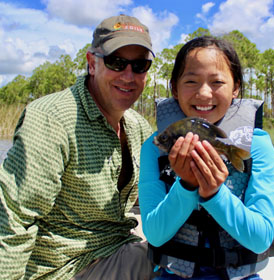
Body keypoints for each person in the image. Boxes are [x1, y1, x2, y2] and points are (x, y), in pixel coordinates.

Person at [0, 14, 157, 280]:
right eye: (116, 62)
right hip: (62, 268)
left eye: (139, 65)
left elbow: (148, 198)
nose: (128, 75)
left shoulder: (139, 126)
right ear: (91, 64)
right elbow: (14, 220)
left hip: (119, 247)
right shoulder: (51, 119)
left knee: (189, 260)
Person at [138, 36, 274, 280]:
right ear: (174, 87)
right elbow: (155, 234)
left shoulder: (257, 145)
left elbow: (261, 240)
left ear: (235, 87)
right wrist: (187, 185)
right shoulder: (154, 147)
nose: (204, 93)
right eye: (191, 81)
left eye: (217, 82)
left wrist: (214, 193)